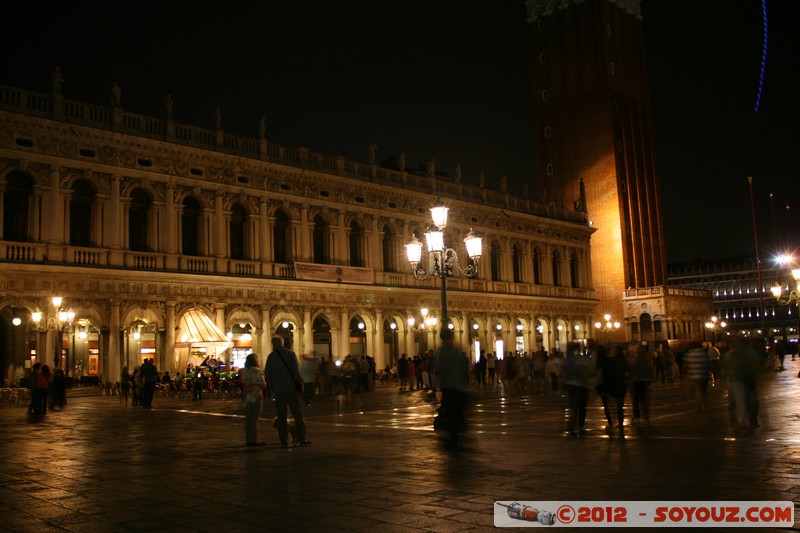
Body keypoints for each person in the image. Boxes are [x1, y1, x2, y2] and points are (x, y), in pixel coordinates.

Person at [265, 336, 310, 447]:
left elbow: (267, 374)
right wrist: (301, 383)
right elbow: (296, 370)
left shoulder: (271, 357)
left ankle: (283, 440)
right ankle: (301, 438)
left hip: (278, 390)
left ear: (273, 344)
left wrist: (272, 387)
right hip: (291, 388)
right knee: (297, 413)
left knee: (281, 415)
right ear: (282, 343)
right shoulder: (290, 354)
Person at [435, 328, 468, 449]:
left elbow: (439, 369)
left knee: (449, 410)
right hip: (456, 384)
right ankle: (457, 434)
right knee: (456, 410)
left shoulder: (442, 350)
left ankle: (452, 437)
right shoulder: (455, 349)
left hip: (447, 386)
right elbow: (461, 365)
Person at [239, 353, 266, 446]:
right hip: (256, 394)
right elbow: (262, 383)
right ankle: (254, 439)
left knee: (248, 418)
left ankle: (248, 439)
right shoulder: (257, 371)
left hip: (246, 395)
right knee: (254, 418)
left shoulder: (244, 371)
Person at [683, 341, 711, 412]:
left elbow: (686, 365)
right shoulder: (704, 353)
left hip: (694, 375)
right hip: (704, 374)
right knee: (702, 391)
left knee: (699, 392)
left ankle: (701, 407)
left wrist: (687, 374)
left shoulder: (690, 354)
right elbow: (708, 363)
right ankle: (700, 406)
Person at [630, 344, 653, 424]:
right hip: (643, 382)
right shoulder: (646, 360)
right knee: (644, 401)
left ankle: (637, 417)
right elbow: (649, 371)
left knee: (635, 400)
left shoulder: (633, 360)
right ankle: (646, 417)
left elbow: (630, 370)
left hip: (635, 382)